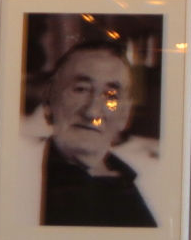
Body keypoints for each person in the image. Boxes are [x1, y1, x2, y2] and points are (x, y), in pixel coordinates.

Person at [40, 41, 157, 227]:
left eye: (111, 96)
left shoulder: (142, 183)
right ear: (49, 99)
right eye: (81, 89)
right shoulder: (20, 177)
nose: (92, 112)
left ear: (125, 115)